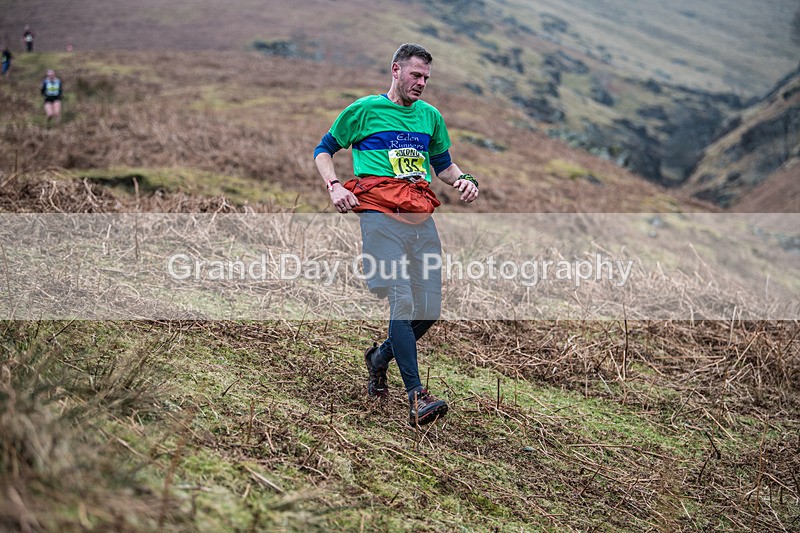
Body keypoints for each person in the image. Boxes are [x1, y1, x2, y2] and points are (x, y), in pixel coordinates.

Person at [314, 43, 480, 426]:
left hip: (420, 219)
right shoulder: (365, 110)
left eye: (426, 78)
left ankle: (380, 357)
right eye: (415, 75)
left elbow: (443, 165)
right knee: (401, 301)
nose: (421, 83)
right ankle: (416, 395)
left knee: (430, 310)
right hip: (377, 215)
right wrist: (335, 185)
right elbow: (324, 150)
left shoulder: (430, 117)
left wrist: (464, 180)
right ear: (396, 70)